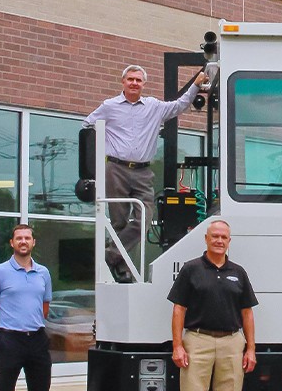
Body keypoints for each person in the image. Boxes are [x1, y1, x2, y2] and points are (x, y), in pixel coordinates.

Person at [84, 65, 207, 283]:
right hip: (116, 169)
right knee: (119, 221)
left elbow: (180, 105)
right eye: (130, 79)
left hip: (143, 171)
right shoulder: (109, 106)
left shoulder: (154, 106)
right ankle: (120, 268)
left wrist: (196, 86)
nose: (134, 83)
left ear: (143, 84)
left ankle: (111, 254)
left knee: (146, 217)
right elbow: (88, 126)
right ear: (123, 82)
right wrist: (99, 152)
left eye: (138, 80)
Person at [168, 220, 257, 391]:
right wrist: (177, 346)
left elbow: (247, 312)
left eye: (224, 237)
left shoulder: (239, 272)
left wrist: (251, 349)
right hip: (197, 341)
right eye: (215, 236)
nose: (219, 241)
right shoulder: (190, 269)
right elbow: (179, 309)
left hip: (232, 343)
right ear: (206, 238)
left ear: (229, 241)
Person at [0, 224, 53, 391]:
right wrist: (2, 334)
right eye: (19, 238)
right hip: (9, 341)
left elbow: (45, 306)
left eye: (27, 238)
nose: (23, 241)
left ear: (33, 242)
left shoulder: (43, 273)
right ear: (12, 243)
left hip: (37, 340)